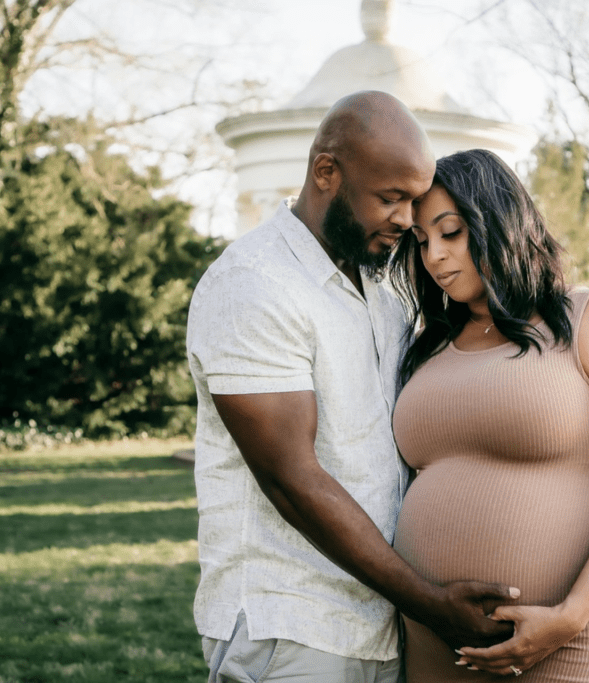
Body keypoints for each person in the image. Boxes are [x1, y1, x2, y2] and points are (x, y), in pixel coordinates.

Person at [185, 93, 519, 683]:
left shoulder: (383, 290)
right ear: (326, 173)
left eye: (414, 201)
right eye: (391, 197)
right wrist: (430, 603)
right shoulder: (254, 284)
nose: (407, 219)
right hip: (289, 629)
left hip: (379, 630)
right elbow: (294, 481)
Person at [389, 148, 589, 681]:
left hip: (569, 637)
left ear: (497, 220)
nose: (434, 258)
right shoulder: (426, 347)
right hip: (436, 636)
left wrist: (571, 616)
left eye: (451, 233)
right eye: (421, 242)